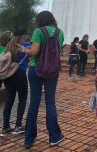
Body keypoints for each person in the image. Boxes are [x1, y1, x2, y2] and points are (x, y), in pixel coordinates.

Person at [20, 11, 65, 148]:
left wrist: (24, 50)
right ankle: (54, 137)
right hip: (52, 70)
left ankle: (29, 139)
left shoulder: (38, 31)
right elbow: (59, 50)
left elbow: (33, 52)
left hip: (36, 69)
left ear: (40, 20)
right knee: (50, 103)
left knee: (34, 102)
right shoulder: (60, 32)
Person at [0, 29, 29, 136]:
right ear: (23, 36)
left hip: (9, 75)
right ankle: (18, 126)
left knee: (9, 100)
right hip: (20, 74)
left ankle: (5, 127)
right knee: (22, 100)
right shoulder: (25, 45)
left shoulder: (8, 46)